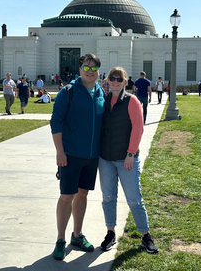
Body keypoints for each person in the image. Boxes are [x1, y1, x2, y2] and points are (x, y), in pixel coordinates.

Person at [49, 53, 105, 260]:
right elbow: (56, 122)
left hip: (92, 156)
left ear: (99, 71)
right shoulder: (69, 92)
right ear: (79, 69)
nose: (90, 71)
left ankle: (77, 235)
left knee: (83, 195)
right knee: (66, 197)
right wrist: (60, 151)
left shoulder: (100, 92)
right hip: (70, 155)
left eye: (94, 68)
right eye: (86, 67)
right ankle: (60, 240)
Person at [98, 66, 159, 254]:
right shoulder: (103, 100)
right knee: (108, 198)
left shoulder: (132, 101)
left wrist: (131, 153)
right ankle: (110, 233)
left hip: (126, 159)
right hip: (105, 159)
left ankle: (145, 236)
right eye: (112, 78)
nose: (115, 82)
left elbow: (138, 129)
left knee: (134, 199)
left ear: (125, 82)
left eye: (119, 79)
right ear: (107, 80)